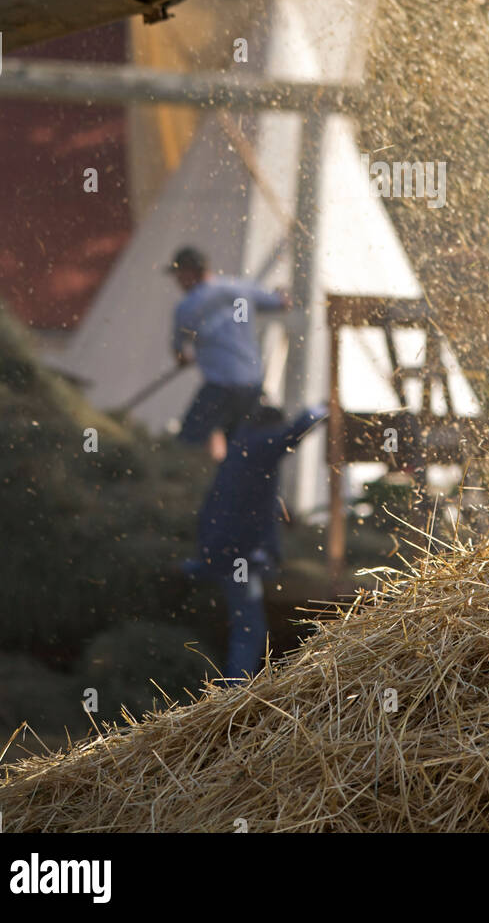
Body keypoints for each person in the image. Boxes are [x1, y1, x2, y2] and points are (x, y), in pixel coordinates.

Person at [182, 405, 328, 680]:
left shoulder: (241, 449)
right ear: (271, 427)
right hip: (237, 556)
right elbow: (293, 434)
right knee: (249, 629)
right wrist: (321, 410)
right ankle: (233, 696)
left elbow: (251, 496)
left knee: (245, 623)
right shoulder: (260, 443)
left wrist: (282, 514)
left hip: (219, 548)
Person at [165, 245, 291, 451]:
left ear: (189, 272)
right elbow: (283, 302)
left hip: (220, 387)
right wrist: (281, 292)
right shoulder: (240, 289)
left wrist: (186, 358)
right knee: (239, 449)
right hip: (252, 385)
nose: (177, 281)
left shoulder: (186, 307)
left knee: (186, 445)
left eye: (178, 275)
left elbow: (179, 353)